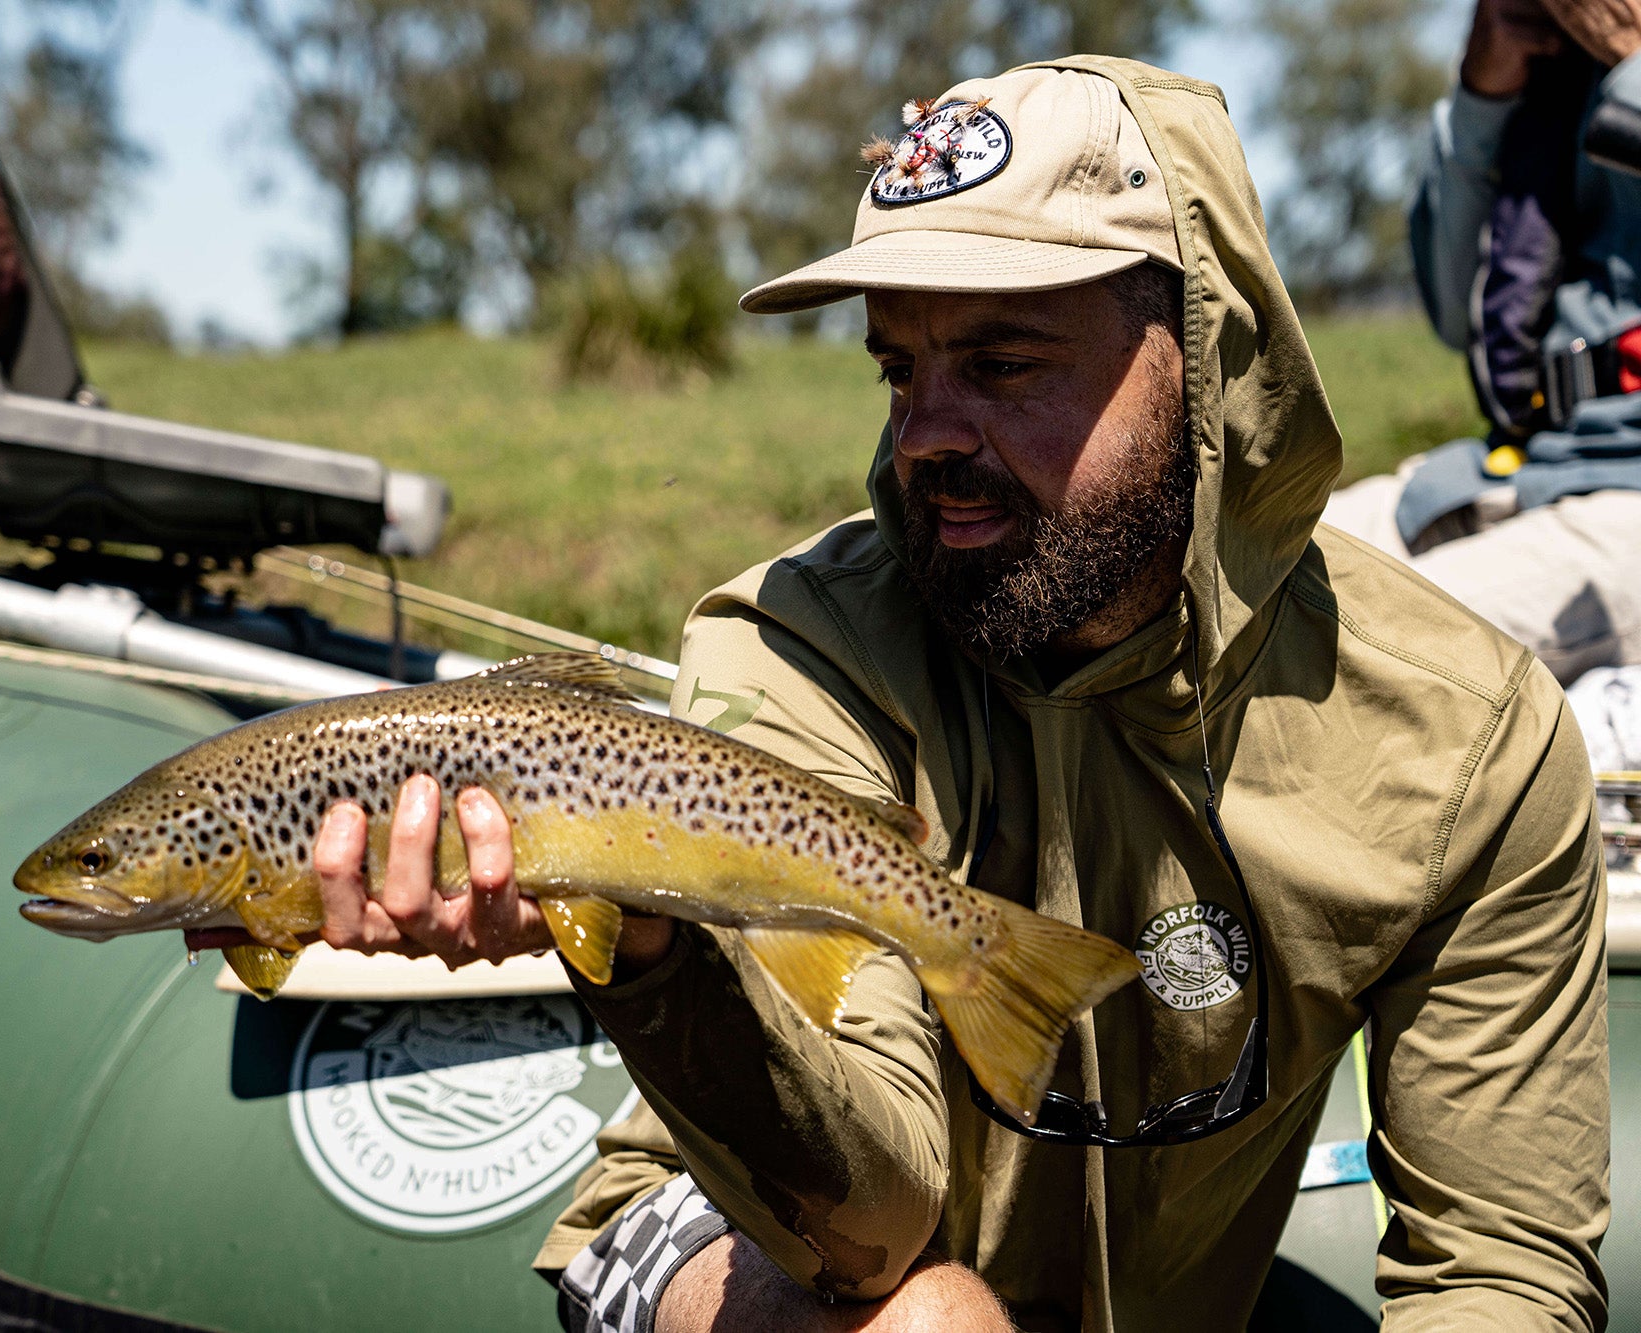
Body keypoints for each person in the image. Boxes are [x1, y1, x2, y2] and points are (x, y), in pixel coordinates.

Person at [271, 58, 1610, 1331]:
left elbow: (1500, 1266)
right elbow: (864, 1223)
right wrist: (663, 949)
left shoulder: (1466, 740)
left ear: (1210, 358)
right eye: (898, 368)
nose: (926, 436)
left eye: (1004, 364)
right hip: (734, 1236)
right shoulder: (797, 647)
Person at [1319, 0, 1641, 685]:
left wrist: (1633, 57)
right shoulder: (1557, 68)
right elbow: (1458, 313)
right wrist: (1482, 98)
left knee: (1351, 650)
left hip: (1627, 497)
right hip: (1520, 469)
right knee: (1217, 567)